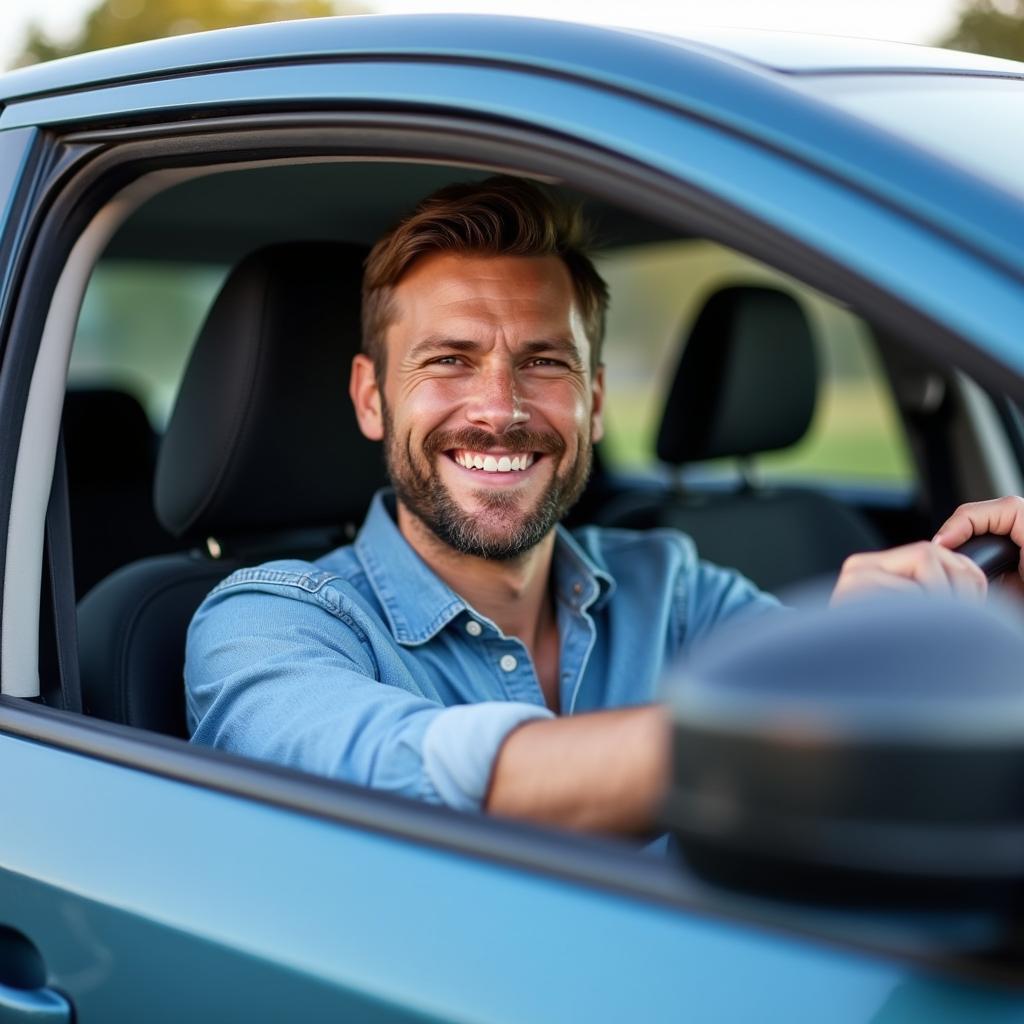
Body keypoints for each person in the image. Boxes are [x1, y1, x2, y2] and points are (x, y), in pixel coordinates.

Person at [185, 175, 1024, 836]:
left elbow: (864, 758)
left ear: (593, 399)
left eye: (544, 362)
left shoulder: (675, 587)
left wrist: (994, 635)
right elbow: (417, 781)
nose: (501, 408)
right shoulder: (269, 624)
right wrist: (820, 690)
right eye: (449, 360)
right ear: (372, 399)